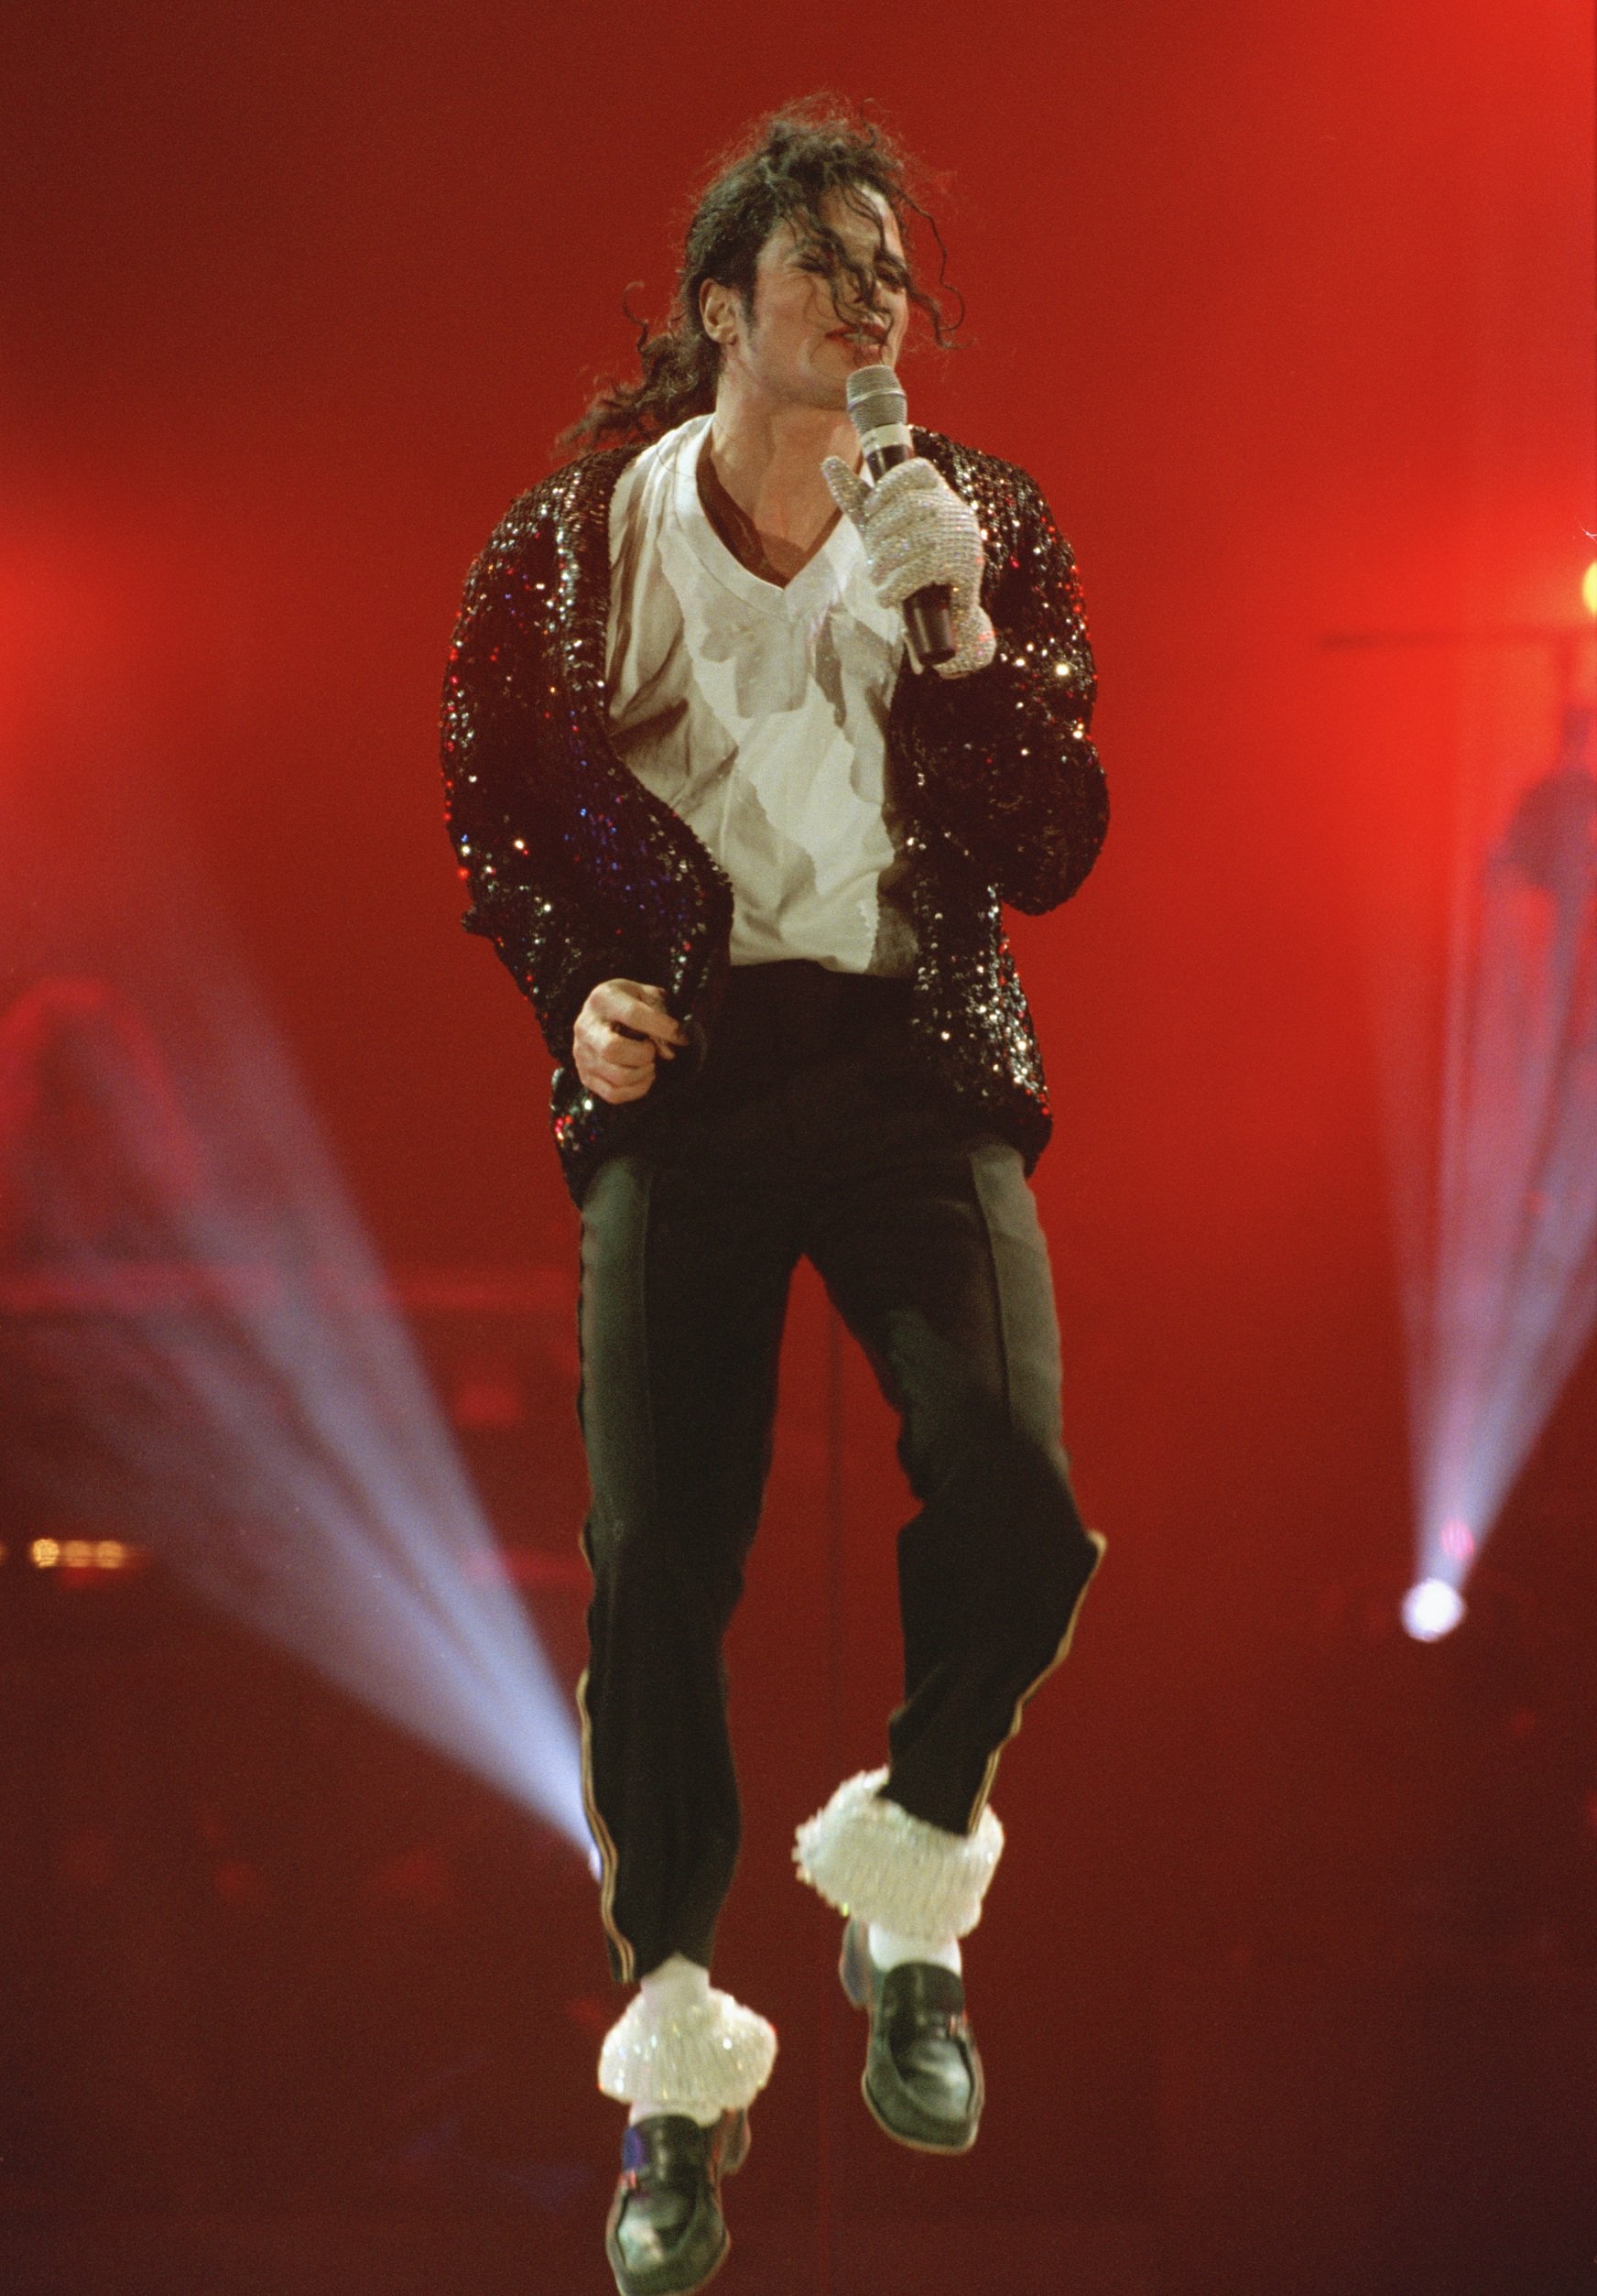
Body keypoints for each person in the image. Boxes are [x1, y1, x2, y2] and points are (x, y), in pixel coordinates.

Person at [440, 103, 1109, 2296]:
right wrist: (587, 992)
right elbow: (502, 808)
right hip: (703, 1090)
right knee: (658, 1567)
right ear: (724, 308)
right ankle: (665, 2076)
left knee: (1012, 1497)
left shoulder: (975, 520)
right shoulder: (577, 541)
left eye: (889, 266)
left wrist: (971, 638)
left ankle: (910, 1880)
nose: (868, 293)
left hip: (912, 1066)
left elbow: (1045, 846)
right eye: (822, 260)